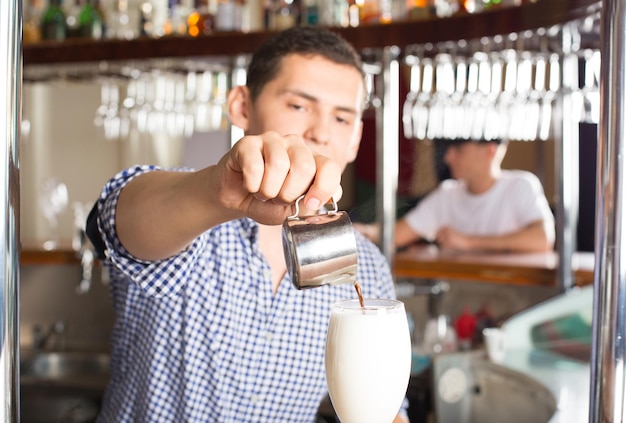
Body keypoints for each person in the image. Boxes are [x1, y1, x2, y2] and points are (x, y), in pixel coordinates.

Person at [87, 27, 408, 422]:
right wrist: (214, 194)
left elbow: (383, 406)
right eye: (298, 106)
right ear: (242, 106)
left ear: (356, 138)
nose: (321, 133)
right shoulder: (192, 211)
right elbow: (118, 220)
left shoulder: (368, 268)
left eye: (342, 118)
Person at [355, 138, 555, 252]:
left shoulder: (520, 186)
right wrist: (357, 231)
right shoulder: (447, 194)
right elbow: (394, 236)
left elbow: (543, 239)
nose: (448, 157)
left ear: (490, 151)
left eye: (459, 150)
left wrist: (468, 242)